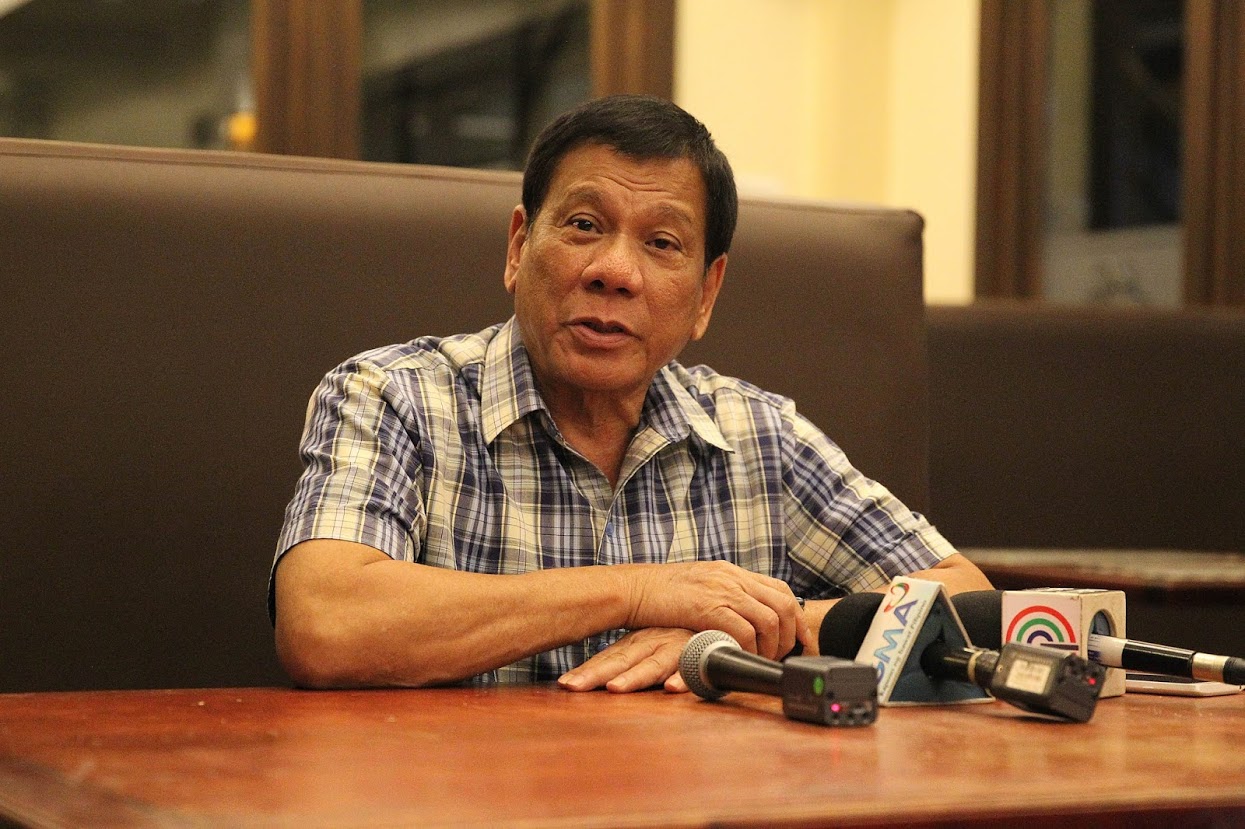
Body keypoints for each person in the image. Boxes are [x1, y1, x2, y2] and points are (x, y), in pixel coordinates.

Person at [271, 94, 991, 694]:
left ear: (705, 294)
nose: (614, 270)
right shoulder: (394, 396)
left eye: (662, 243)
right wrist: (640, 590)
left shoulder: (760, 435)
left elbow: (961, 594)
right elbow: (325, 623)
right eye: (584, 226)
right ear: (519, 247)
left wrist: (756, 625)